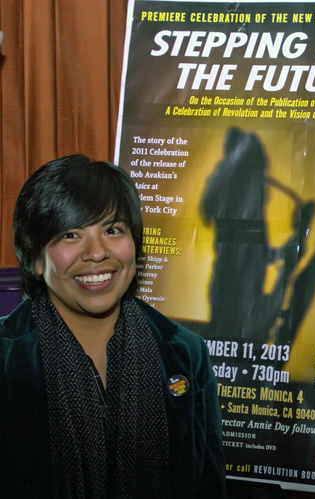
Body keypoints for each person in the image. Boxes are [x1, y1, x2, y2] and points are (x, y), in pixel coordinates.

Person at [0, 155, 226, 498]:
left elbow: (209, 485)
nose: (96, 253)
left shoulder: (185, 353)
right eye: (71, 234)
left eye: (112, 230)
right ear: (35, 257)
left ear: (135, 247)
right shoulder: (7, 356)